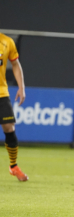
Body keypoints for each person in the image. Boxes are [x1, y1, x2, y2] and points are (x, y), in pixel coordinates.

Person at [0, 32, 28, 181]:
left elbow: (15, 64)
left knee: (9, 127)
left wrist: (21, 87)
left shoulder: (7, 42)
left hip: (1, 92)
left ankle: (13, 166)